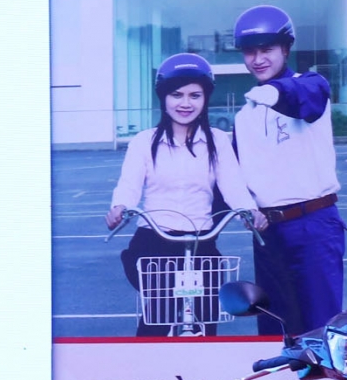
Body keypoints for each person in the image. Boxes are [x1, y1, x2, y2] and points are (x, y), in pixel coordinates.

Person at [106, 54, 258, 338]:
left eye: (194, 95)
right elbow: (129, 185)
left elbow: (233, 185)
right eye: (176, 95)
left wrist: (249, 212)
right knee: (157, 321)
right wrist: (120, 207)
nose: (185, 103)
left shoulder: (217, 140)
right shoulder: (144, 142)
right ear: (163, 98)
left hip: (201, 242)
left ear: (205, 98)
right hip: (155, 242)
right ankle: (148, 364)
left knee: (206, 321)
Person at [226, 4, 345, 336]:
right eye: (250, 51)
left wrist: (271, 91)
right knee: (274, 330)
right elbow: (233, 174)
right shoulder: (244, 116)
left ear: (286, 49)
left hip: (313, 225)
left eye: (267, 49)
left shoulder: (310, 85)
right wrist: (245, 209)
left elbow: (303, 99)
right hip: (268, 234)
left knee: (321, 329)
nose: (258, 59)